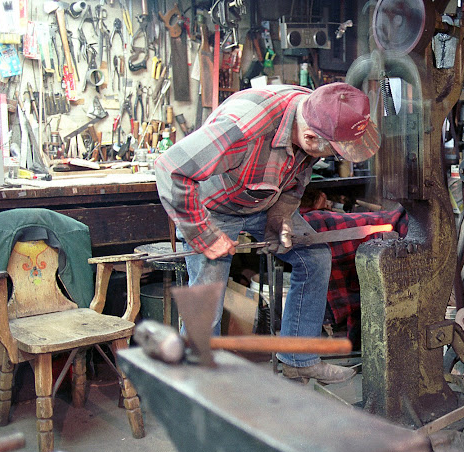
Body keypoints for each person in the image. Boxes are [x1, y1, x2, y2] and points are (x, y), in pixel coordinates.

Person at [155, 82, 379, 384]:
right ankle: (197, 381)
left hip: (265, 199)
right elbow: (170, 167)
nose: (333, 159)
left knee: (315, 258)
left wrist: (280, 216)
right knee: (208, 293)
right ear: (310, 137)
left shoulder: (321, 114)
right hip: (215, 207)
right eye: (334, 153)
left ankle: (298, 361)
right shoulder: (243, 128)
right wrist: (203, 234)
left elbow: (298, 177)